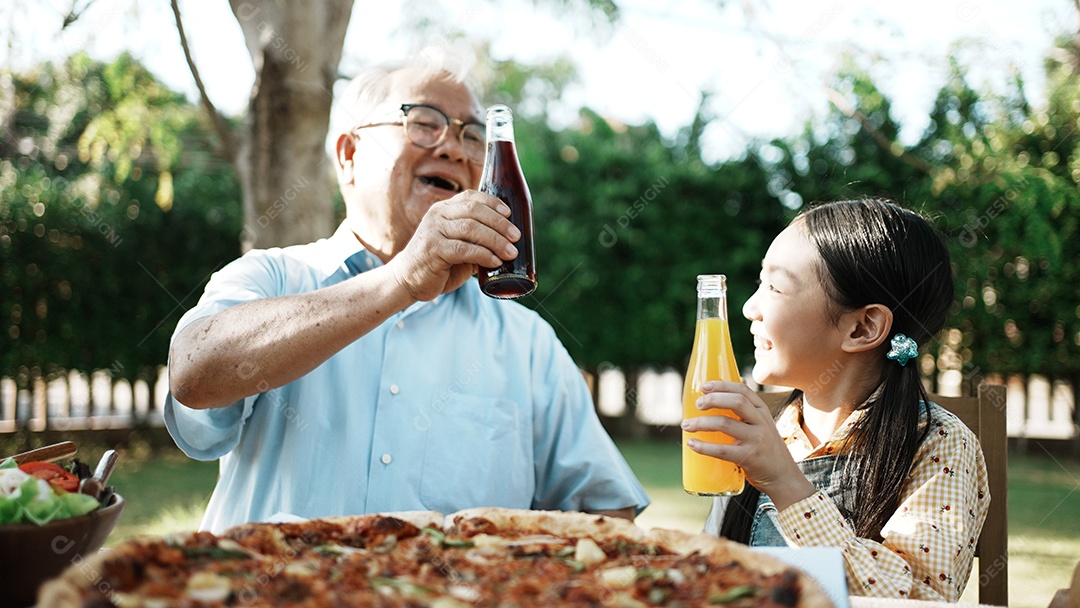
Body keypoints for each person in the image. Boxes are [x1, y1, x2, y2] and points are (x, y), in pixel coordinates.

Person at [163, 58, 649, 533]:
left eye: (471, 135)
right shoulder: (271, 277)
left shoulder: (529, 344)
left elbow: (605, 517)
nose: (455, 150)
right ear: (349, 155)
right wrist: (400, 281)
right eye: (424, 123)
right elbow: (193, 373)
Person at [685, 199, 989, 601]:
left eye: (775, 287)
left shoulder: (940, 444)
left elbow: (915, 600)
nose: (749, 308)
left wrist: (785, 482)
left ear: (863, 327)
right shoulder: (767, 432)